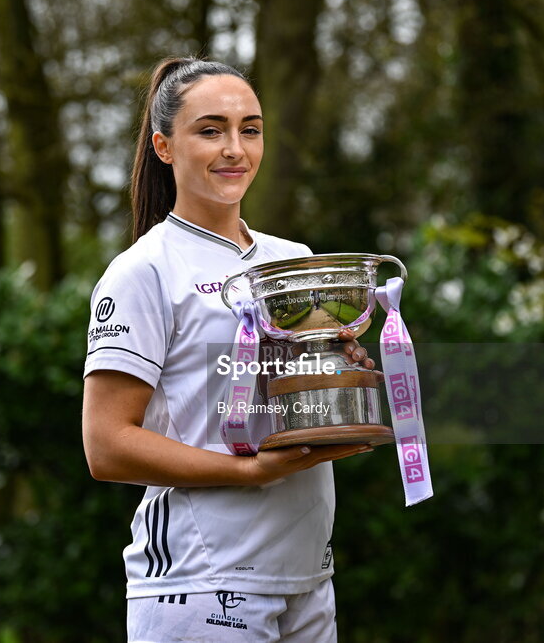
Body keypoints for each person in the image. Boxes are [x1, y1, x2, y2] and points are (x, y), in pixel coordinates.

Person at [81, 57, 374, 642]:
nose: (235, 148)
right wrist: (249, 473)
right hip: (201, 578)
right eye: (210, 130)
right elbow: (106, 446)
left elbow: (285, 402)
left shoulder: (292, 258)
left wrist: (338, 380)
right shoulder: (142, 270)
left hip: (308, 574)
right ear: (164, 147)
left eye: (250, 128)